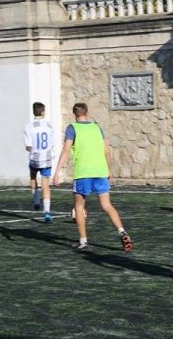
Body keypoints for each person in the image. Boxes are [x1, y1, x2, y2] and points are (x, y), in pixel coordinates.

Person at [52, 103, 132, 252]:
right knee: (107, 205)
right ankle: (122, 232)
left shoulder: (72, 128)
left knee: (79, 206)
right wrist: (108, 170)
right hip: (100, 171)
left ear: (74, 113)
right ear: (87, 112)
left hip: (83, 173)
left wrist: (57, 172)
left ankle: (83, 241)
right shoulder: (96, 128)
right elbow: (106, 151)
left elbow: (66, 150)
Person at [23, 102, 54, 222]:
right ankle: (47, 212)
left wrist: (32, 150)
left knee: (32, 176)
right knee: (45, 185)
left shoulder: (28, 126)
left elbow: (28, 146)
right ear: (43, 112)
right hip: (46, 159)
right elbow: (51, 143)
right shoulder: (49, 125)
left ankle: (36, 201)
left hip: (35, 159)